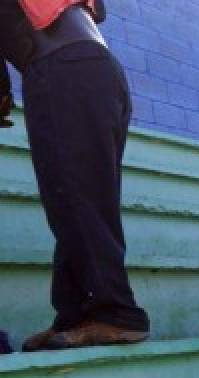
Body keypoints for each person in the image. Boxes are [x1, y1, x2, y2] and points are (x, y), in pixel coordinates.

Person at [1, 0, 150, 350]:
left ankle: (117, 313)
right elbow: (99, 10)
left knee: (74, 196)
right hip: (98, 67)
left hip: (61, 67)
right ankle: (76, 313)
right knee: (73, 196)